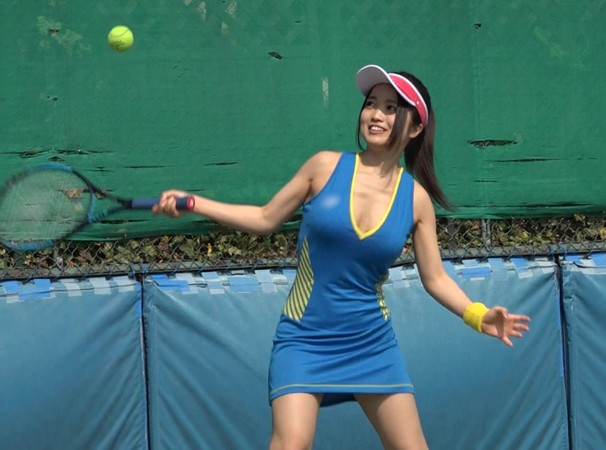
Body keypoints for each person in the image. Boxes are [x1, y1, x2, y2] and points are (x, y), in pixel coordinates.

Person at [153, 64, 531, 450]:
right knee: (291, 444)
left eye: (391, 108)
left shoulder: (416, 200)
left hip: (371, 343)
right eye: (371, 104)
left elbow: (434, 278)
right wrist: (194, 202)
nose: (376, 114)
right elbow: (266, 218)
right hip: (304, 337)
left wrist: (478, 315)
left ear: (415, 128)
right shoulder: (323, 167)